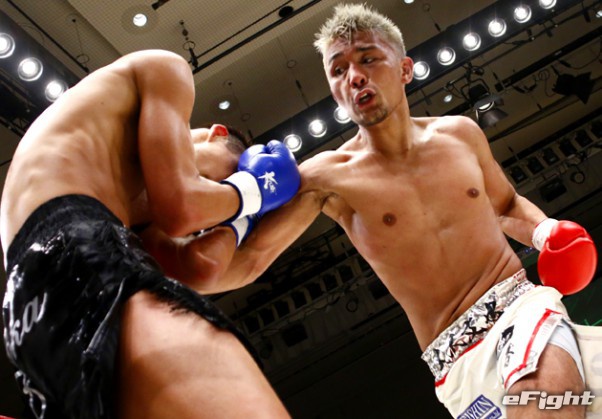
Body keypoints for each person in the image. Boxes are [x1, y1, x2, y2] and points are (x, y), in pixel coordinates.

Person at [213, 4, 601, 418]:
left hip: (520, 309)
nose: (354, 76)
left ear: (404, 69)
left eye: (367, 59)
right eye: (338, 70)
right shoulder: (326, 177)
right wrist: (197, 239)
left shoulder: (460, 135)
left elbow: (505, 204)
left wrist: (546, 232)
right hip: (454, 362)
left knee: (545, 395)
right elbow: (246, 262)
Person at [0, 49, 298, 418]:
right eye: (224, 177)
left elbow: (201, 267)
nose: (218, 195)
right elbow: (185, 207)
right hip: (73, 247)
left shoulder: (136, 210)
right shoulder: (164, 69)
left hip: (30, 318)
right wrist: (251, 189)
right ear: (217, 134)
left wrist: (241, 215)